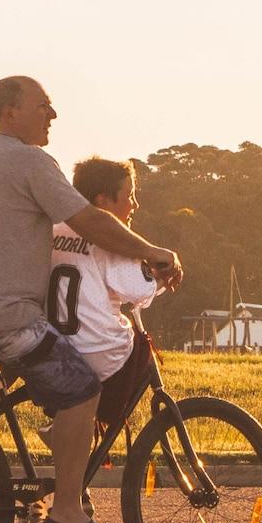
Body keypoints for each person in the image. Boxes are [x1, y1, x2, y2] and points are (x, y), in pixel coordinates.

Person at [0, 76, 183, 523]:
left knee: (20, 357)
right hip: (1, 318)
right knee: (81, 387)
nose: (53, 114)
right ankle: (67, 511)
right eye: (43, 105)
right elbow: (90, 222)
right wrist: (153, 251)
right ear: (10, 113)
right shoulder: (31, 161)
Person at [49, 157, 164, 437]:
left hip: (57, 348)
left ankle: (67, 428)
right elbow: (139, 292)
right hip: (98, 352)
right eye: (129, 196)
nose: (135, 205)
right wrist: (161, 279)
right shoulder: (113, 240)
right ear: (103, 201)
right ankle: (97, 423)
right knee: (140, 348)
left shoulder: (54, 230)